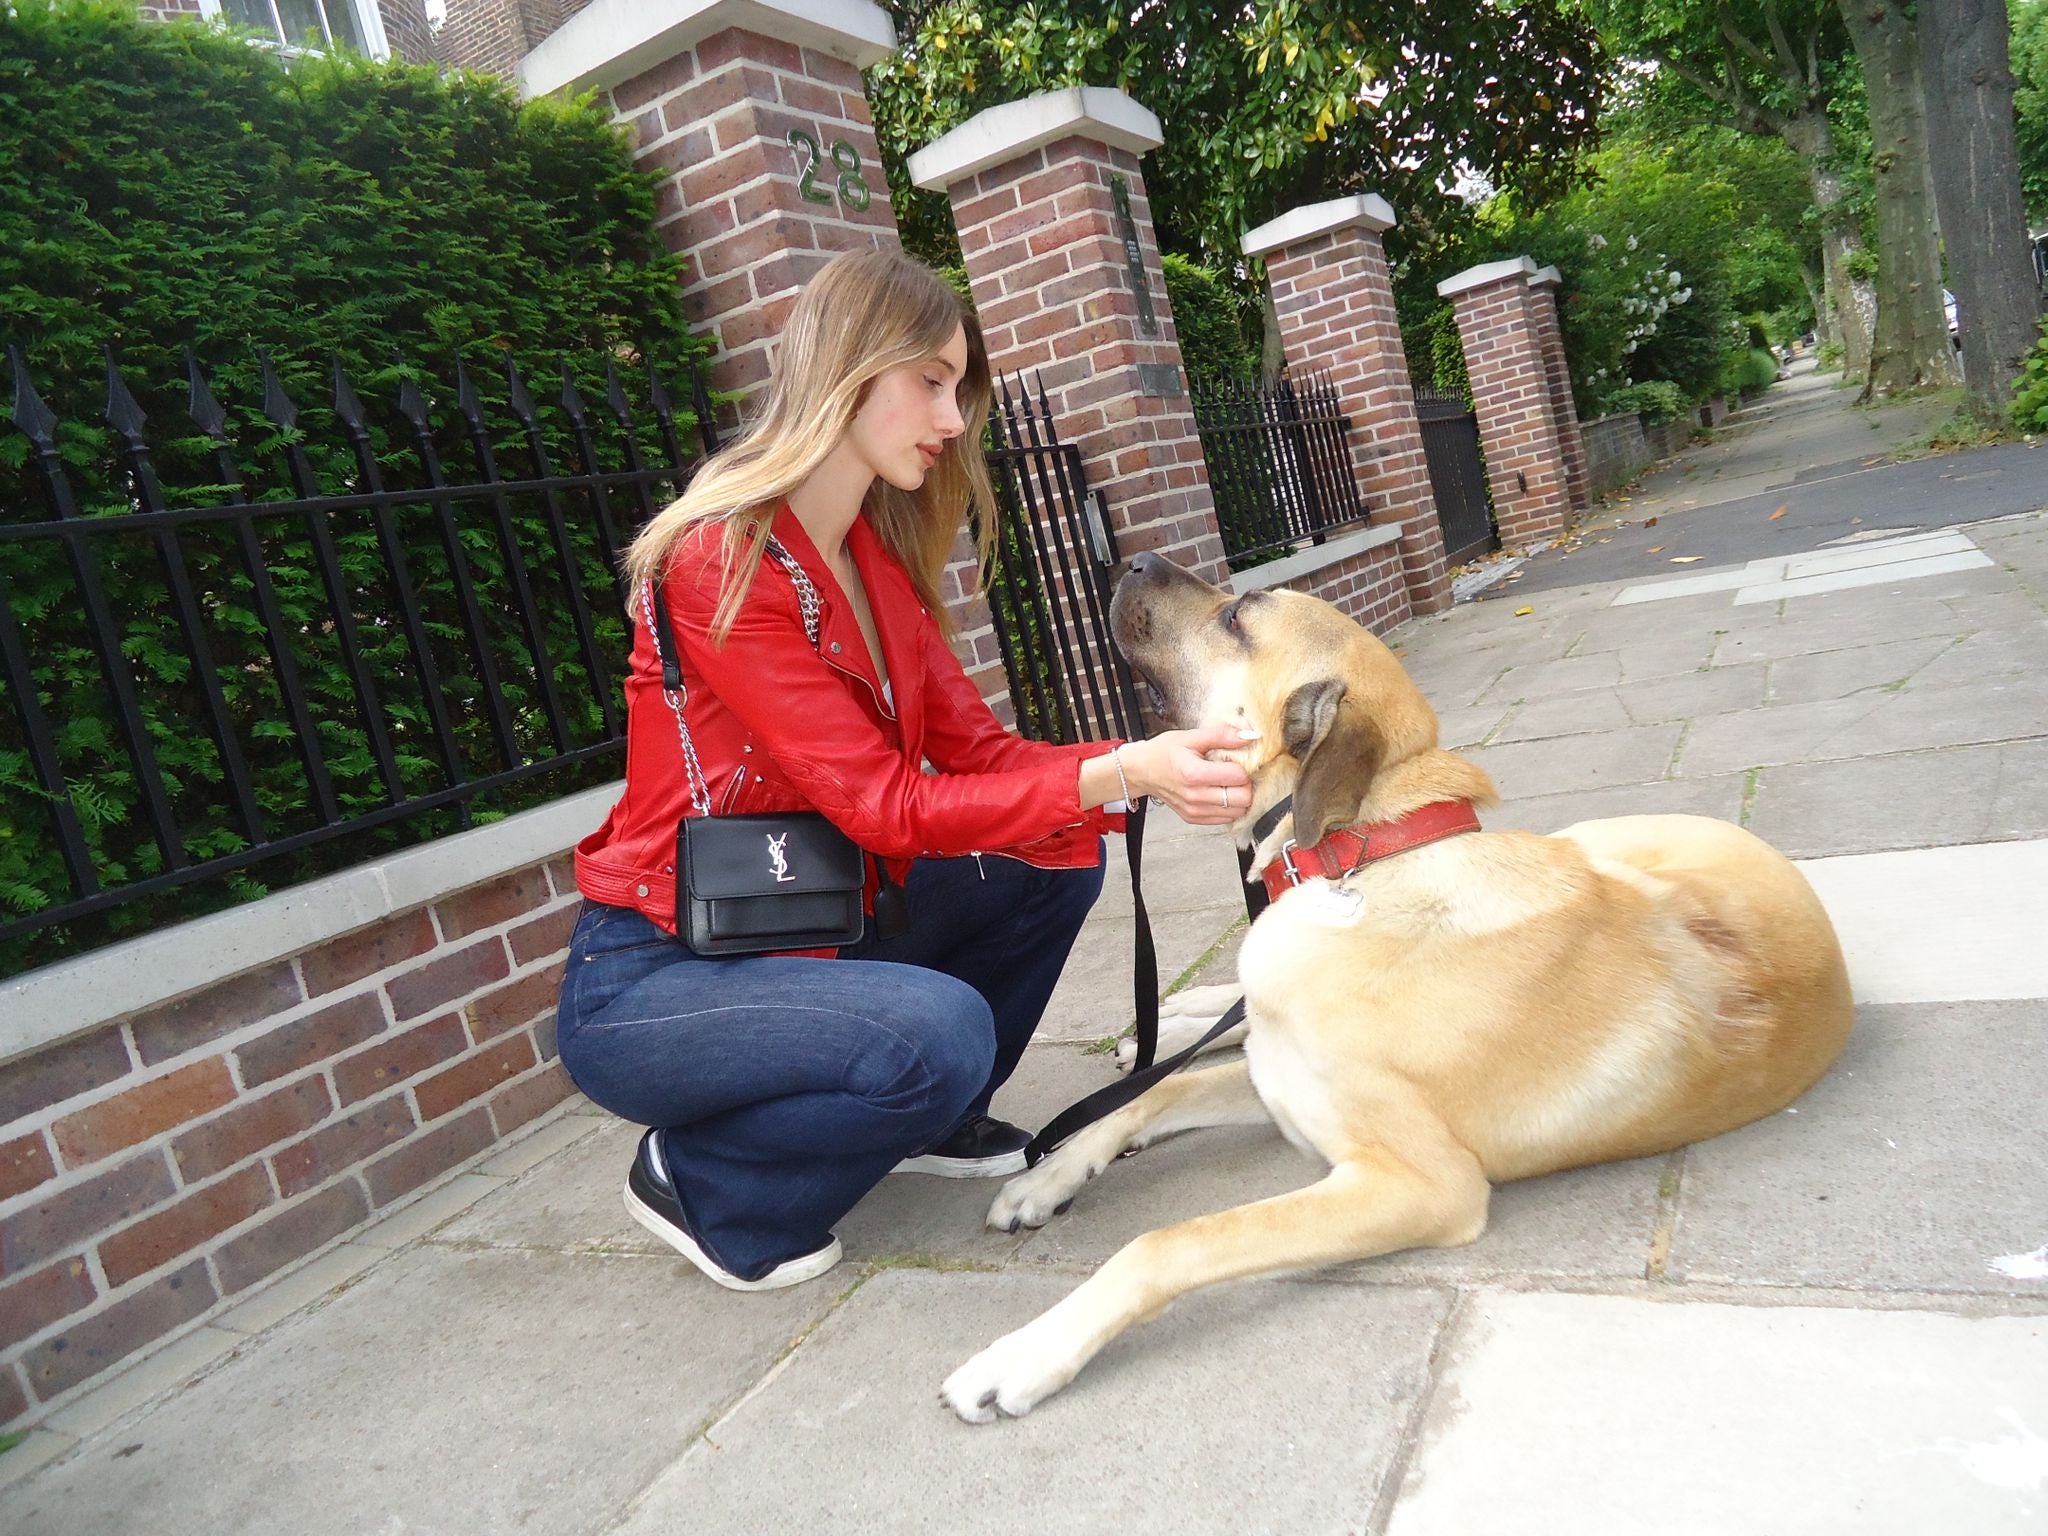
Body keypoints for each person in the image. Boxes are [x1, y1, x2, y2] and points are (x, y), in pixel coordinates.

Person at [556, 249, 1251, 1292]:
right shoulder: (720, 560)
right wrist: (1123, 772)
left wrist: (1132, 770)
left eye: (956, 388)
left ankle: (928, 1115)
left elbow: (980, 755)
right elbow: (885, 808)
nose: (951, 418)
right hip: (660, 970)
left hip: (811, 918)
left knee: (1053, 855)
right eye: (929, 380)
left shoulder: (868, 565)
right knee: (939, 1034)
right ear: (848, 368)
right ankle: (704, 1183)